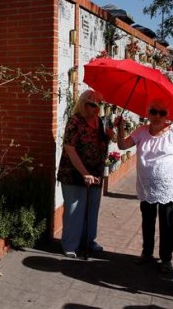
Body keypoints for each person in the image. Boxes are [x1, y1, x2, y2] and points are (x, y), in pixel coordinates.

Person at [115, 98, 173, 274]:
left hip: (169, 186)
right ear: (148, 114)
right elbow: (122, 145)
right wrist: (119, 128)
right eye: (154, 112)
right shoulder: (141, 131)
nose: (157, 116)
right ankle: (146, 253)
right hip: (146, 186)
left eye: (162, 113)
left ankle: (166, 259)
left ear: (167, 115)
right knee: (147, 221)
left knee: (167, 224)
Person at [57, 89, 113, 258]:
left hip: (95, 173)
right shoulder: (75, 122)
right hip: (74, 173)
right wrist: (84, 173)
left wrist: (109, 136)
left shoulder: (101, 122)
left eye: (99, 105)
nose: (96, 109)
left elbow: (101, 144)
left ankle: (88, 240)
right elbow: (70, 149)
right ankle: (70, 244)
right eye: (92, 105)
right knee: (75, 209)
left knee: (92, 208)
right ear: (83, 104)